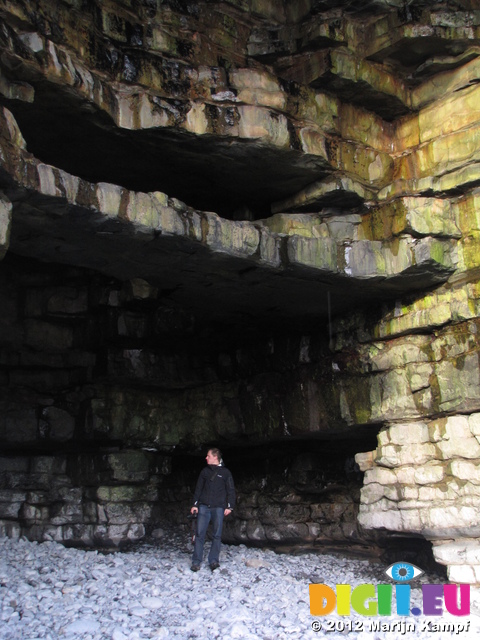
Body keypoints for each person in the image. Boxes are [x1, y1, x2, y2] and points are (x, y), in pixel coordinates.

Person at [190, 447, 235, 572]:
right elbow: (198, 489)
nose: (206, 458)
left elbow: (230, 490)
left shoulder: (225, 473)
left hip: (218, 508)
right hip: (204, 506)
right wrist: (195, 504)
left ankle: (213, 560)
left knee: (217, 535)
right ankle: (196, 561)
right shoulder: (205, 472)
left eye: (208, 456)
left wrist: (230, 506)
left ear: (215, 457)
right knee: (199, 534)